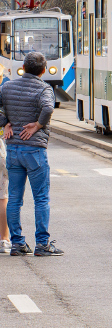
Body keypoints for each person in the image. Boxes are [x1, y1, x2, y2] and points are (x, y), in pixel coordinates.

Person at [2, 52, 62, 256]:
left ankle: (17, 243)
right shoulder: (44, 88)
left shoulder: (7, 86)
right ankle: (42, 244)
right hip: (34, 149)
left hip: (13, 149)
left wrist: (5, 123)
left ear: (23, 68)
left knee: (15, 198)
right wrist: (37, 125)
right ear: (43, 70)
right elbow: (47, 108)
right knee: (41, 198)